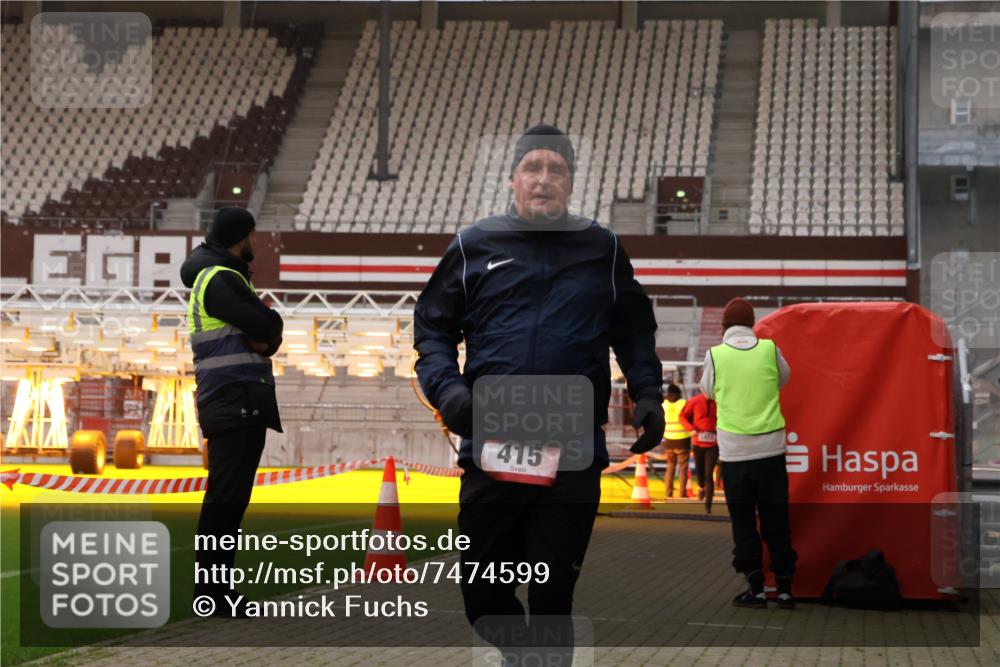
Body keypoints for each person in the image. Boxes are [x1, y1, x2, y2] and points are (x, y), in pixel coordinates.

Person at [415, 124, 664, 662]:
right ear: (513, 179)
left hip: (572, 446)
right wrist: (449, 390)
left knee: (552, 597)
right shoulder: (474, 245)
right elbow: (432, 328)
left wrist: (647, 392)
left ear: (570, 182)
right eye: (532, 168)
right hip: (493, 439)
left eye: (556, 169)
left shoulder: (602, 248)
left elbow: (634, 331)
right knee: (484, 598)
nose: (543, 179)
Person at [181, 207, 283, 615]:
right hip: (232, 397)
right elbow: (266, 326)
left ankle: (217, 591)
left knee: (230, 501)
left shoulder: (222, 277)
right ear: (242, 237)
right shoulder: (220, 279)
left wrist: (268, 332)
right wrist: (271, 327)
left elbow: (265, 333)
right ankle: (211, 594)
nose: (255, 243)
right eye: (252, 236)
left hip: (236, 398)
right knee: (225, 501)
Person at [700, 297, 796, 609]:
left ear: (724, 326)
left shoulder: (715, 355)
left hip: (735, 454)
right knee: (776, 520)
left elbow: (707, 390)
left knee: (743, 523)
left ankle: (756, 588)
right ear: (752, 323)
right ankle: (785, 589)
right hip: (771, 450)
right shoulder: (769, 348)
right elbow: (784, 379)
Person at [678, 390, 718, 513]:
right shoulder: (694, 401)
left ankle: (708, 505)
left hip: (714, 444)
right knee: (700, 473)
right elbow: (682, 416)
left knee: (709, 473)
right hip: (698, 443)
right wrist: (690, 429)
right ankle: (701, 487)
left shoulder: (719, 401)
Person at [662, 383, 692, 498]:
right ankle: (682, 493)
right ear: (679, 393)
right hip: (683, 440)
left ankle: (668, 493)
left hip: (669, 440)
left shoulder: (664, 405)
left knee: (670, 467)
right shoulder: (684, 403)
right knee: (683, 468)